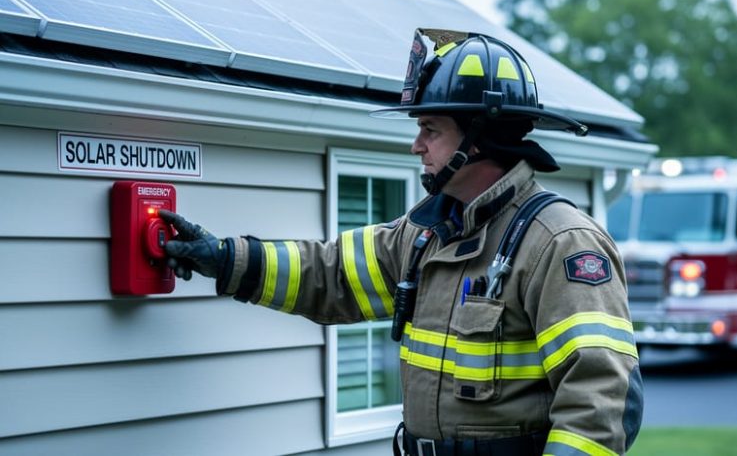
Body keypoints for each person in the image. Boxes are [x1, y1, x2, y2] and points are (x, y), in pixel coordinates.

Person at [160, 28, 643, 456]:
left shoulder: (558, 243)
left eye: (430, 129)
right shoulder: (425, 235)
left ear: (479, 138)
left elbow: (600, 404)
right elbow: (331, 275)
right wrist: (225, 259)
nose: (417, 145)